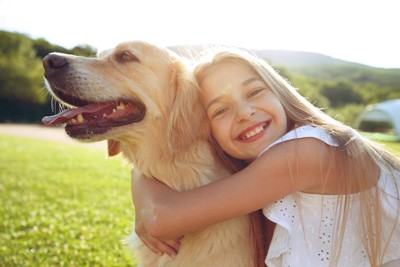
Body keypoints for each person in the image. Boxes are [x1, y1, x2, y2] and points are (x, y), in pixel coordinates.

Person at [131, 47, 400, 266]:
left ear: (279, 92)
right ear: (209, 132)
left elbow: (158, 218)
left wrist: (139, 179)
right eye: (220, 110)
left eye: (254, 92)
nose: (244, 112)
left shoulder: (307, 151)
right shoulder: (258, 178)